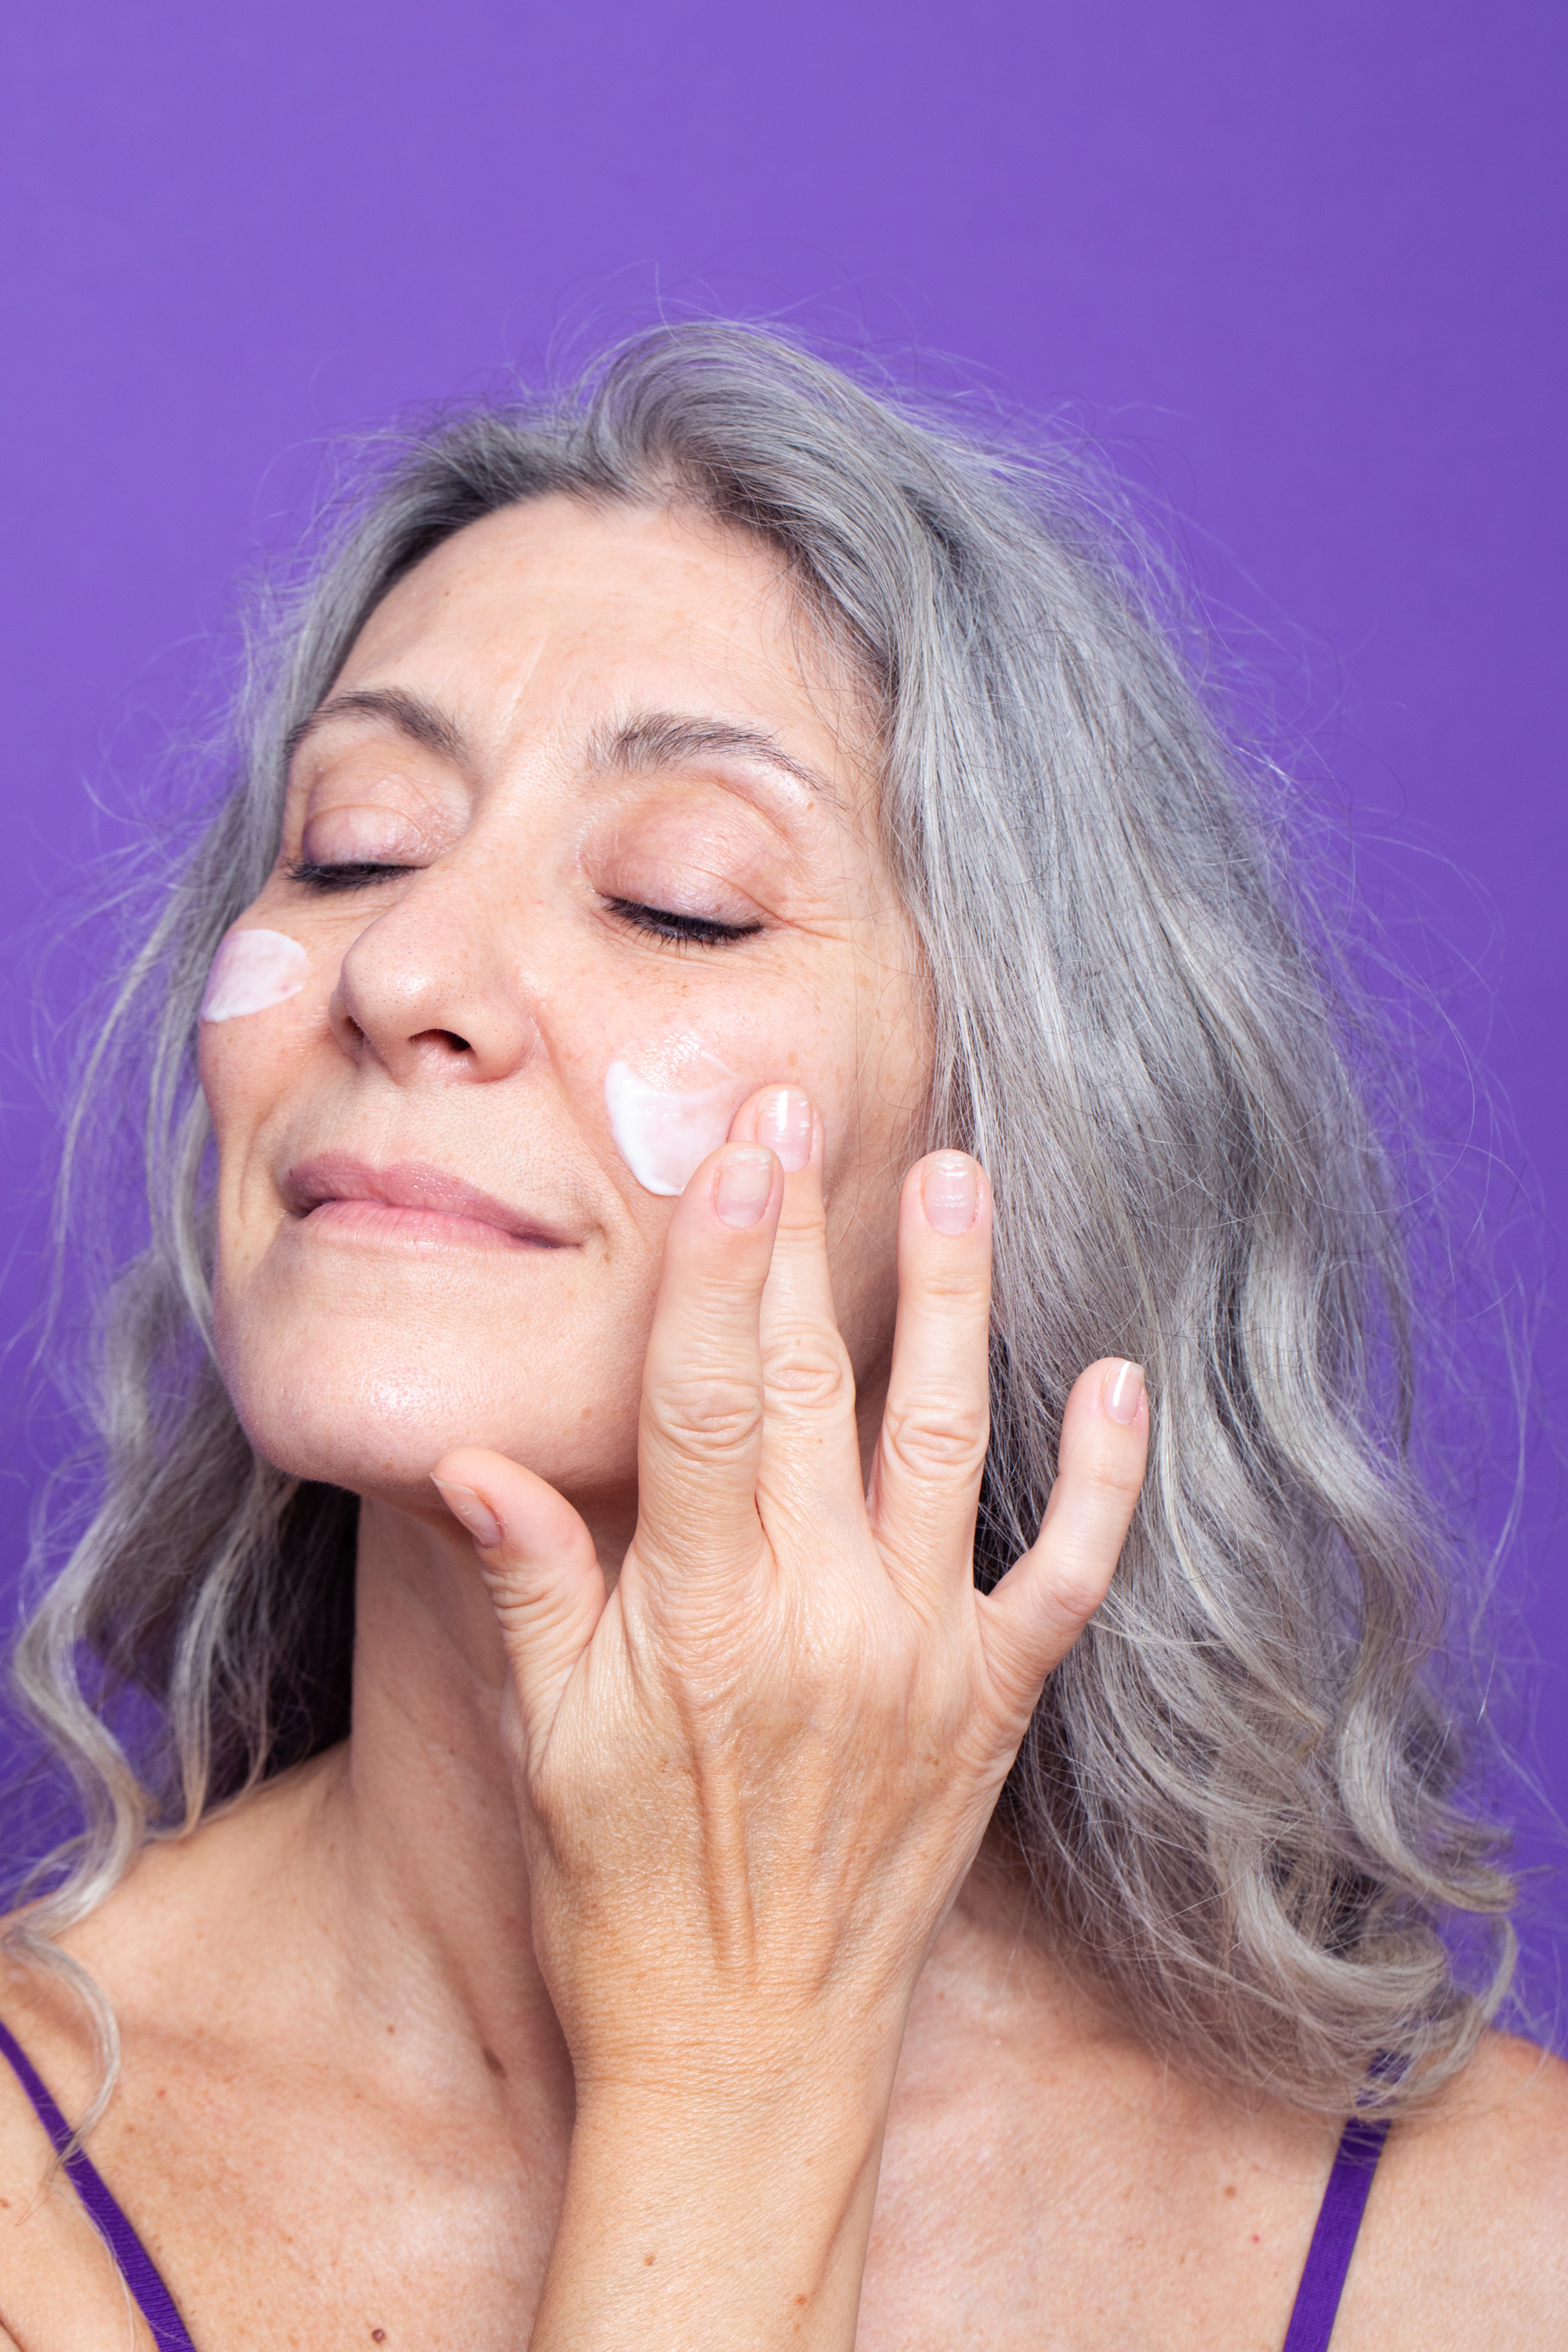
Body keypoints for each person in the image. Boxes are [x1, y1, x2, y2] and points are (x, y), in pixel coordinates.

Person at [0, 323, 1561, 2350]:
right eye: (356, 845)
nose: (399, 966)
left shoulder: (1500, 2260)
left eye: (683, 902)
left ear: (1024, 1143)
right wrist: (726, 2091)